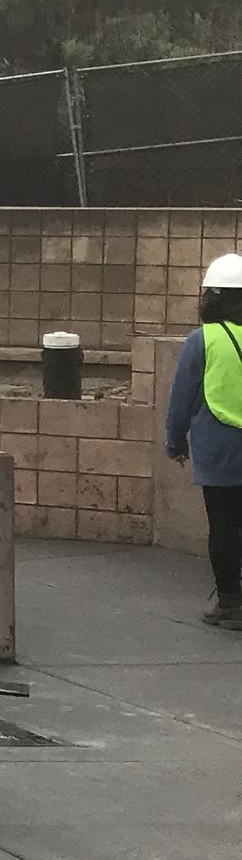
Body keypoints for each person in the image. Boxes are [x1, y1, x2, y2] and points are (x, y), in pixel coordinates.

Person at [164, 252, 242, 628]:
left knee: (224, 528)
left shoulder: (202, 341)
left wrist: (175, 441)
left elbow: (182, 398)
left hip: (220, 450)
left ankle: (230, 602)